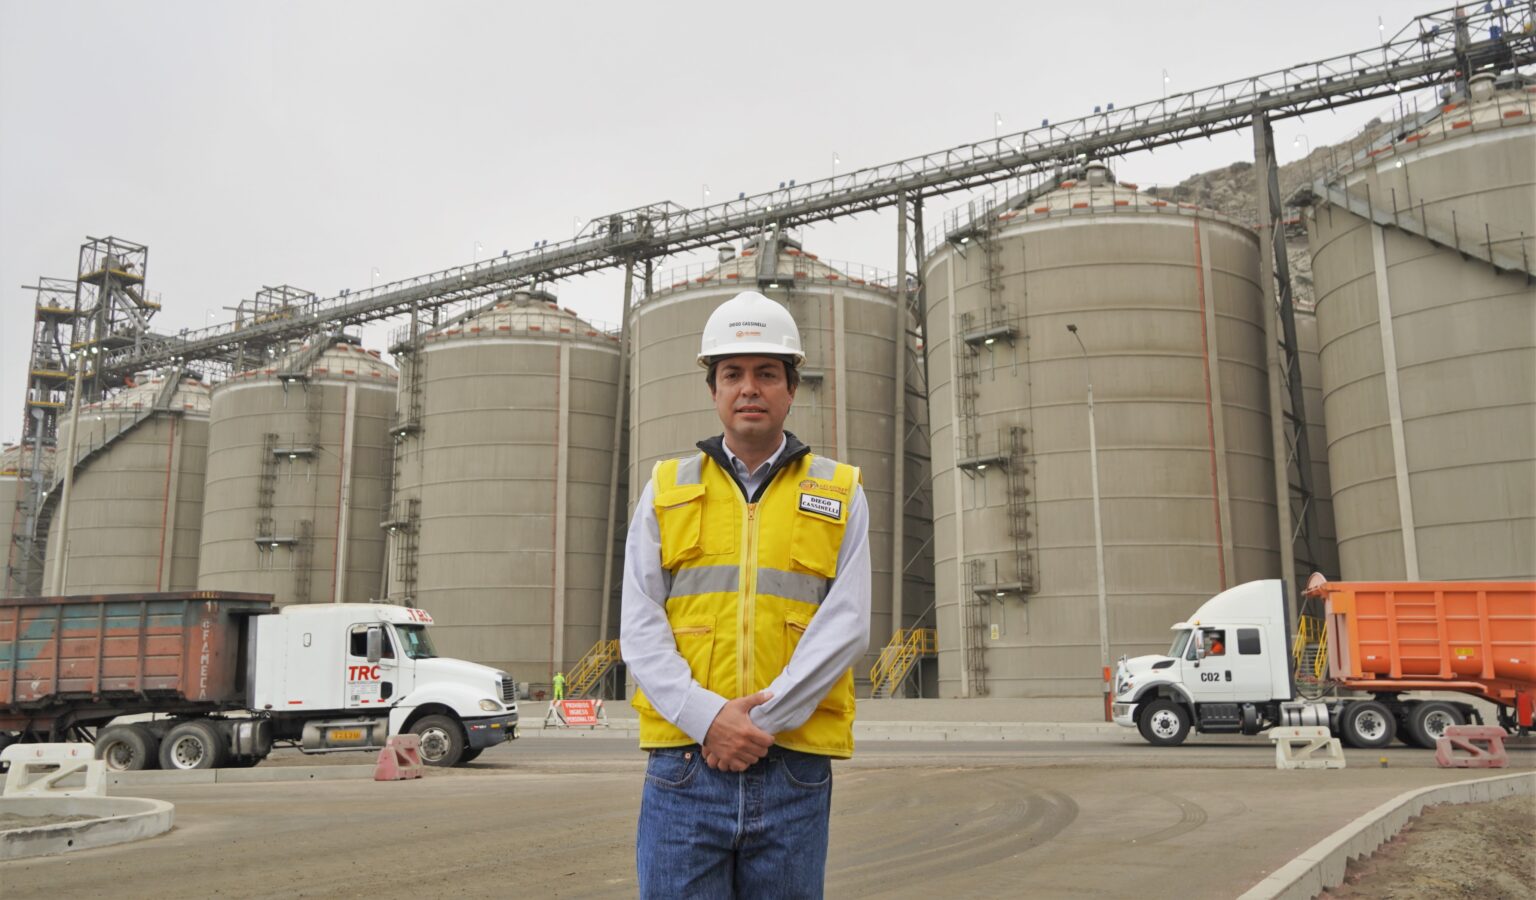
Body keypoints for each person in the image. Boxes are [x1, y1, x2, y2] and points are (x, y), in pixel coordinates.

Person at [620, 290, 871, 900]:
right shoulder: (665, 489)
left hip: (792, 767)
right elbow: (640, 622)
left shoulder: (840, 492)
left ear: (791, 387)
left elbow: (848, 623)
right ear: (713, 390)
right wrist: (708, 720)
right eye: (733, 373)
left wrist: (759, 722)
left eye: (767, 373)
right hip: (686, 765)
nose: (749, 388)